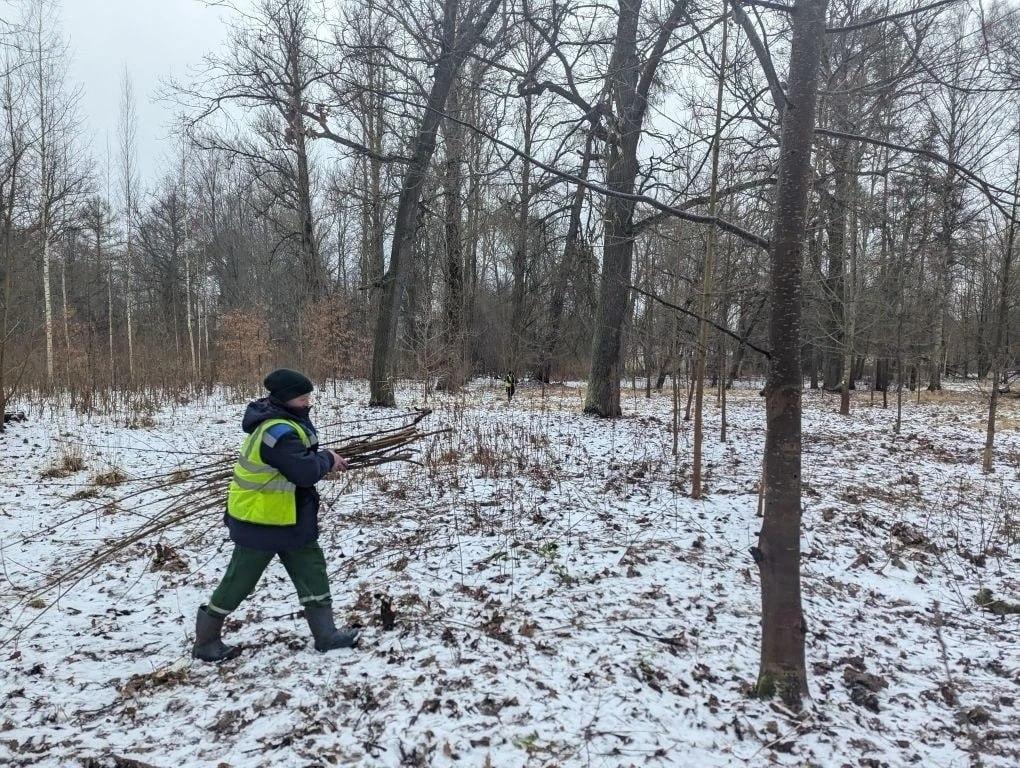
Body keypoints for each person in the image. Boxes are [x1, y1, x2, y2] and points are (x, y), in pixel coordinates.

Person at [192, 368, 360, 662]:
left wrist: (323, 457)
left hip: (292, 520)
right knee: (240, 581)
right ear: (286, 398)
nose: (308, 402)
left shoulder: (287, 422)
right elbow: (304, 472)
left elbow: (302, 461)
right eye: (303, 396)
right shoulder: (276, 432)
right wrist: (328, 459)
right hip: (261, 522)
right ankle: (206, 641)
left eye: (309, 396)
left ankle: (326, 635)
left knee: (312, 571)